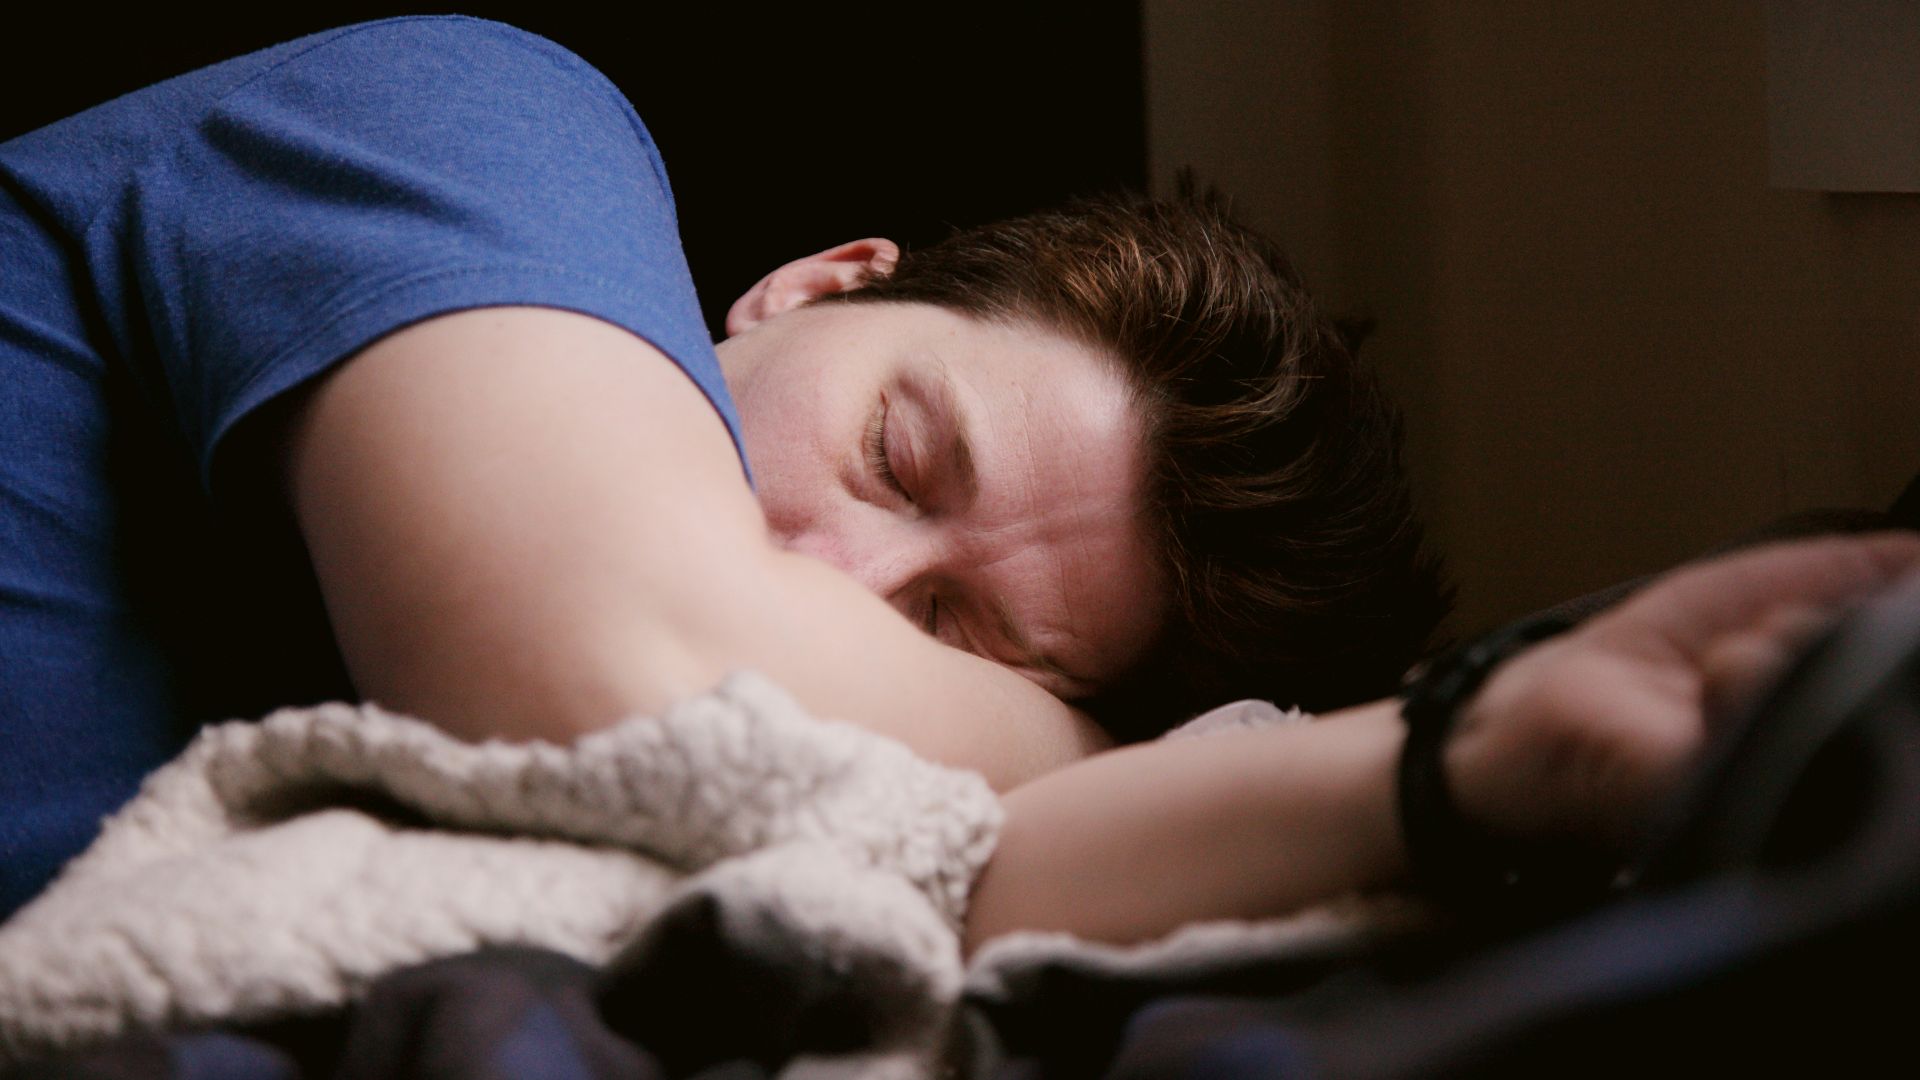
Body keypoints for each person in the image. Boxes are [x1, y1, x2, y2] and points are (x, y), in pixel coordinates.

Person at [2, 15, 1914, 952]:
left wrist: (1493, 754)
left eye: (957, 636)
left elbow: (916, 847)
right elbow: (637, 685)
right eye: (896, 452)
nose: (822, 576)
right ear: (819, 283)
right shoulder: (478, 114)